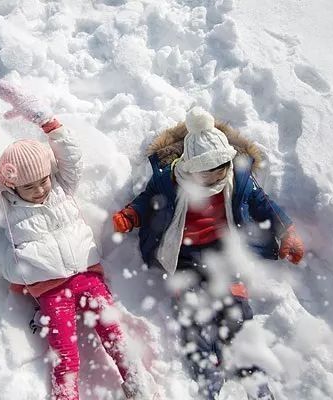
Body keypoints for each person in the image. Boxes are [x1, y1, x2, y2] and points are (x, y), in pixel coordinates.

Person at [0, 82, 151, 400]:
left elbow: (72, 157)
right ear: (12, 186)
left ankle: (138, 384)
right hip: (49, 289)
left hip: (88, 278)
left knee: (113, 331)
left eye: (43, 180)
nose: (39, 189)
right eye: (29, 186)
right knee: (65, 352)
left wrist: (46, 121)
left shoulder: (61, 187)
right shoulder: (7, 207)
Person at [112, 107, 304, 399]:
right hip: (184, 257)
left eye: (220, 168)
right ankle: (207, 376)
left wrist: (287, 233)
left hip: (224, 257)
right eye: (207, 172)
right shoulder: (170, 180)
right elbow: (146, 200)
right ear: (189, 167)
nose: (215, 177)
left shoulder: (237, 178)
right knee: (192, 316)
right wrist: (130, 216)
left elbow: (264, 204)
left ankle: (254, 378)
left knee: (236, 313)